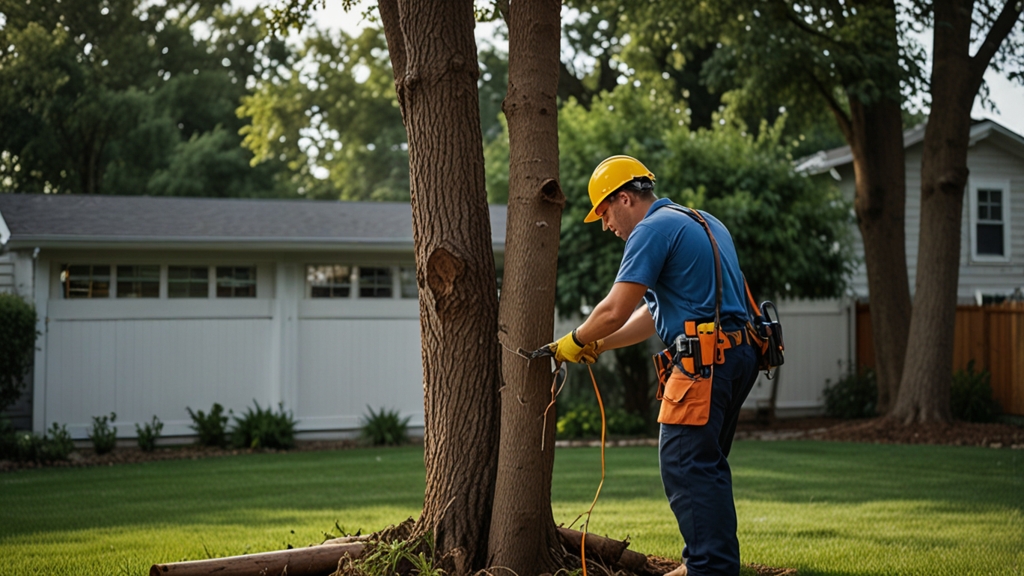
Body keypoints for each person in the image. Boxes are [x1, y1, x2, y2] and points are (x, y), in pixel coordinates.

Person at [549, 155, 759, 576]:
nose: (607, 226)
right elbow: (649, 314)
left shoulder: (649, 230)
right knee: (706, 465)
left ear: (624, 198)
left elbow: (614, 308)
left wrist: (573, 341)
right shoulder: (701, 221)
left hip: (704, 361)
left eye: (605, 214)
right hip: (738, 355)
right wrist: (602, 345)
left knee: (686, 465)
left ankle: (708, 569)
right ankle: (704, 561)